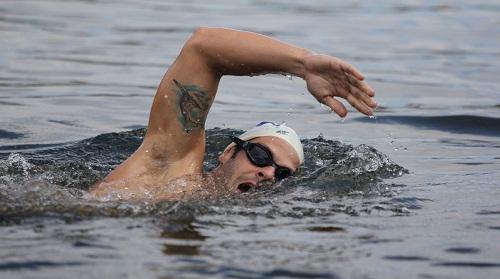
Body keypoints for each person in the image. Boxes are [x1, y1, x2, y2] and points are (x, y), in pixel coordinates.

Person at [91, 27, 377, 200]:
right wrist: (303, 64)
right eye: (261, 156)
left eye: (282, 174)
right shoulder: (170, 167)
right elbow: (202, 48)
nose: (267, 173)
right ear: (228, 152)